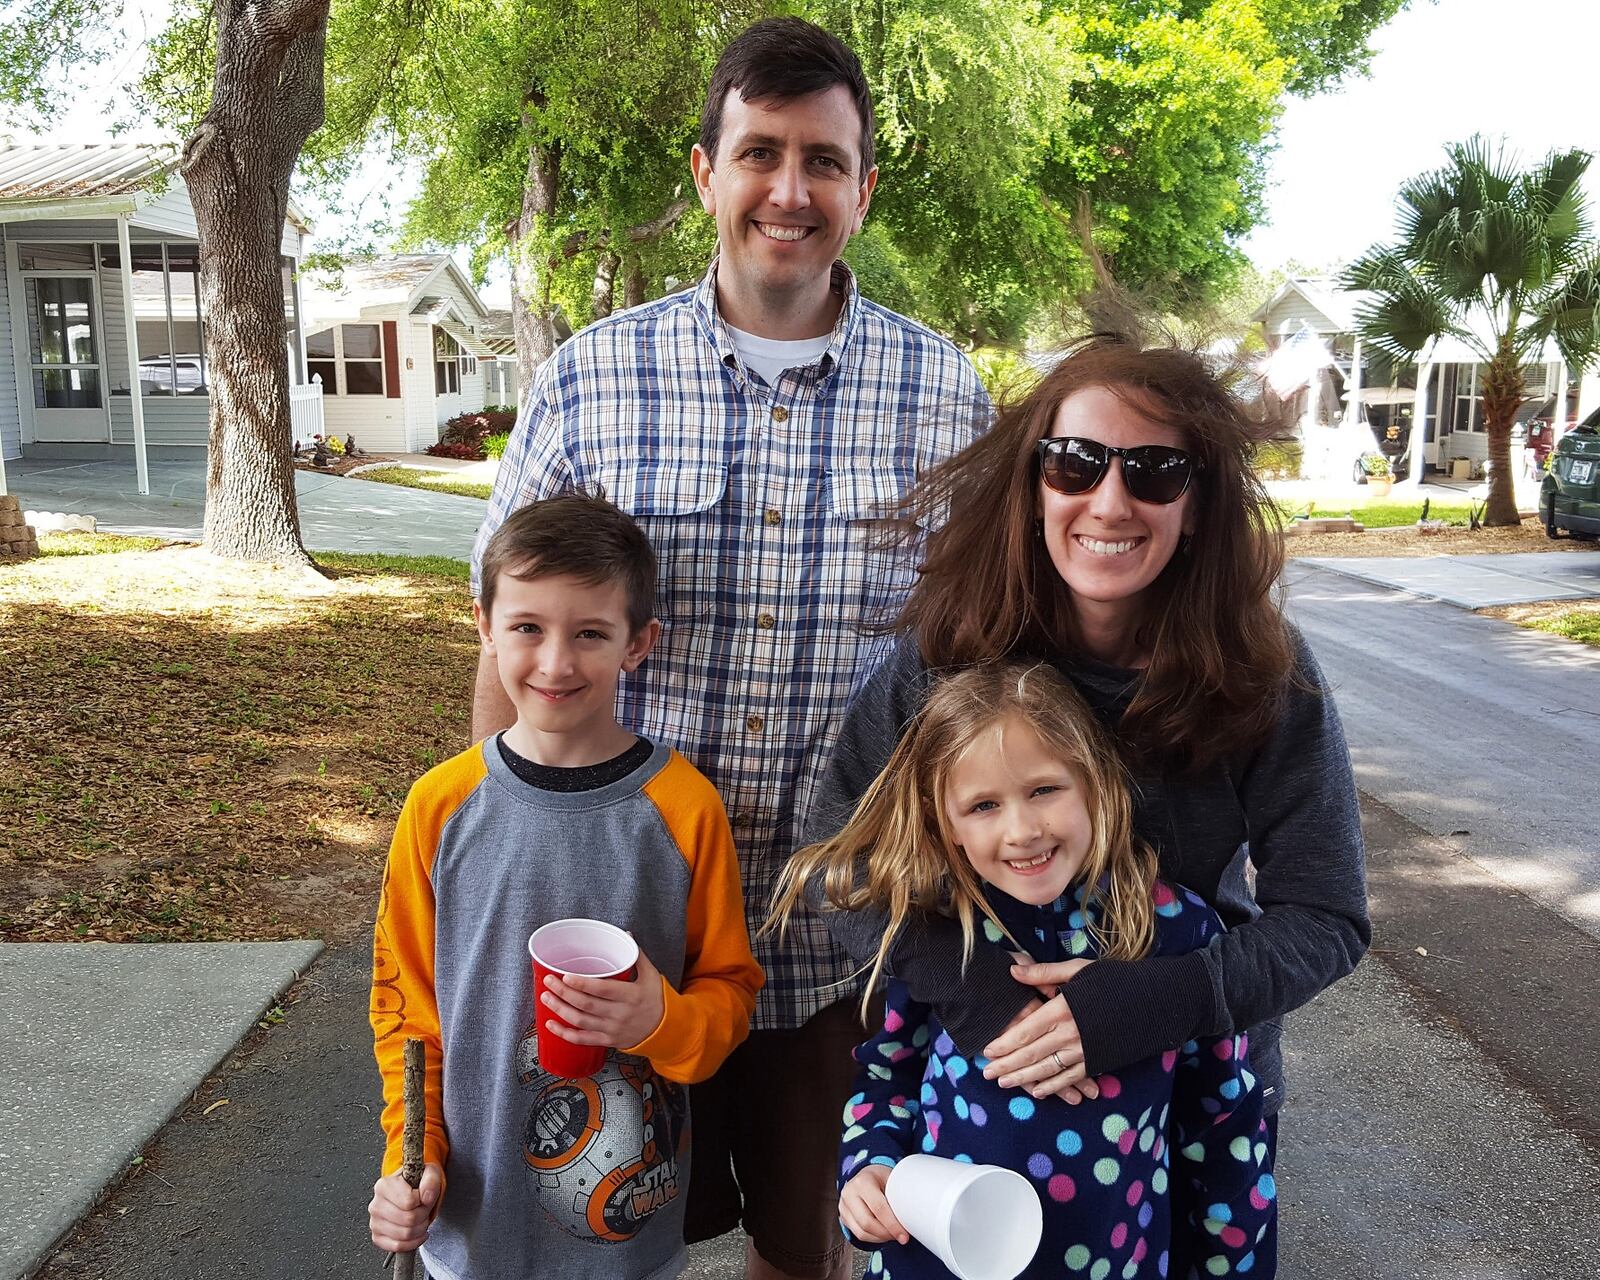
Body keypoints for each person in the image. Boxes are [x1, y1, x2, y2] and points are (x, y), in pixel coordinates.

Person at [471, 18, 989, 1280]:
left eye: (824, 159)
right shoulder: (592, 381)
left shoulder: (948, 399)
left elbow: (979, 669)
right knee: (597, 1226)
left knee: (808, 1246)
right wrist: (494, 862)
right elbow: (510, 644)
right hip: (623, 924)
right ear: (705, 171)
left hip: (848, 941)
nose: (790, 189)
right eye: (760, 152)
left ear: (864, 187)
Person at [807, 336, 1369, 1271]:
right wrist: (972, 982)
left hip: (1190, 1107)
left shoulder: (1261, 671)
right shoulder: (951, 653)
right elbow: (837, 856)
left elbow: (1327, 915)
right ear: (1035, 484)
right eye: (1076, 464)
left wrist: (1157, 1002)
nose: (1110, 502)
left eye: (1155, 473)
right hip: (969, 1107)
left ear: (1196, 506)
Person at [772, 661, 1275, 1279]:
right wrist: (867, 1171)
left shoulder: (1175, 930)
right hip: (935, 1261)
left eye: (1043, 790)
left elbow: (1223, 1122)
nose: (1022, 830)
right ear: (945, 826)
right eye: (983, 805)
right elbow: (887, 1079)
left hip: (1114, 1261)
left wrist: (1234, 1263)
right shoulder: (934, 932)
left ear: (1095, 784)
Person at [369, 494, 764, 1280]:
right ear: (484, 626)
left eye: (589, 633)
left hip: (628, 1231)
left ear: (638, 643)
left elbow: (731, 990)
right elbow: (406, 1010)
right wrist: (409, 1158)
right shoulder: (439, 806)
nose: (555, 663)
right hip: (470, 1225)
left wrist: (663, 1018)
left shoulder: (684, 807)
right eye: (527, 628)